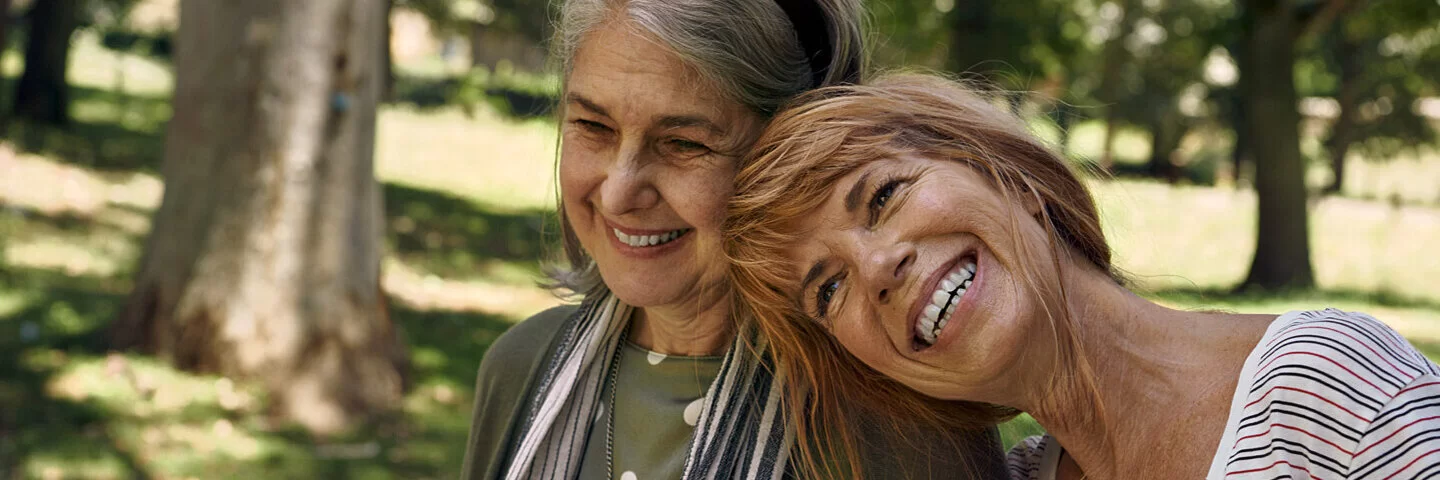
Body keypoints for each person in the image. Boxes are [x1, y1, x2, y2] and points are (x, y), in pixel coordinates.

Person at [725, 74, 1440, 479]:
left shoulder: (1323, 390)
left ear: (1009, 174)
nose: (877, 267)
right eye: (828, 288)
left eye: (883, 197)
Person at [460, 3, 1006, 479]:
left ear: (790, 159)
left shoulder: (901, 426)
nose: (620, 190)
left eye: (683, 142)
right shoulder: (521, 368)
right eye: (592, 127)